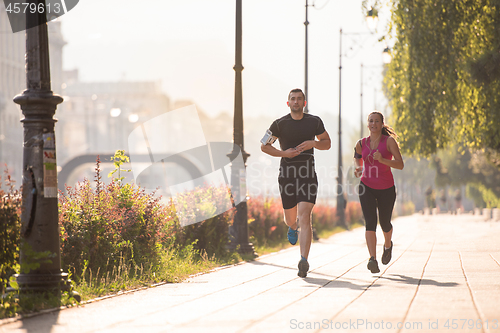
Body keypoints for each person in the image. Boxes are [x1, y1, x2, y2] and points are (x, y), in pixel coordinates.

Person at [261, 88, 331, 278]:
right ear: (288, 103)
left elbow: (327, 142)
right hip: (287, 175)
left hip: (308, 175)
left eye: (299, 99)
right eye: (293, 99)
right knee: (291, 219)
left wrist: (313, 143)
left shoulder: (314, 122)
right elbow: (264, 146)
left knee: (305, 216)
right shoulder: (279, 124)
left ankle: (303, 260)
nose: (296, 102)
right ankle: (292, 228)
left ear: (304, 102)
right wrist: (284, 153)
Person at [354, 111, 404, 273]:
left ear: (382, 124)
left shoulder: (388, 141)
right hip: (366, 186)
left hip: (386, 188)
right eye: (371, 121)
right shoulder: (362, 143)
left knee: (384, 222)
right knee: (370, 222)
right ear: (367, 124)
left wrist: (382, 160)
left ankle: (388, 245)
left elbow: (400, 164)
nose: (373, 124)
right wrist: (358, 167)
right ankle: (372, 259)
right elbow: (357, 156)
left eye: (376, 121)